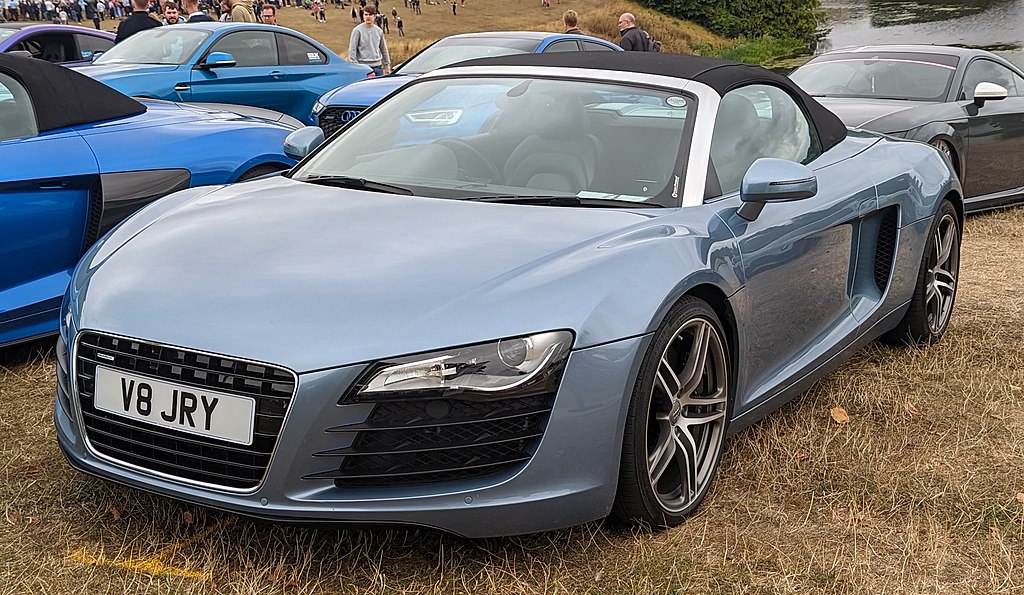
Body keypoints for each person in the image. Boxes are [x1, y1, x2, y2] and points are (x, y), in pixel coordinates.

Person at [348, 5, 389, 76]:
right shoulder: (357, 30)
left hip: (377, 67)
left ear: (374, 16)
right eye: (366, 14)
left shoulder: (379, 31)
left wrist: (387, 65)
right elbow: (352, 49)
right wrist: (355, 66)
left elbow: (383, 49)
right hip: (363, 67)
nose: (368, 17)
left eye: (370, 15)